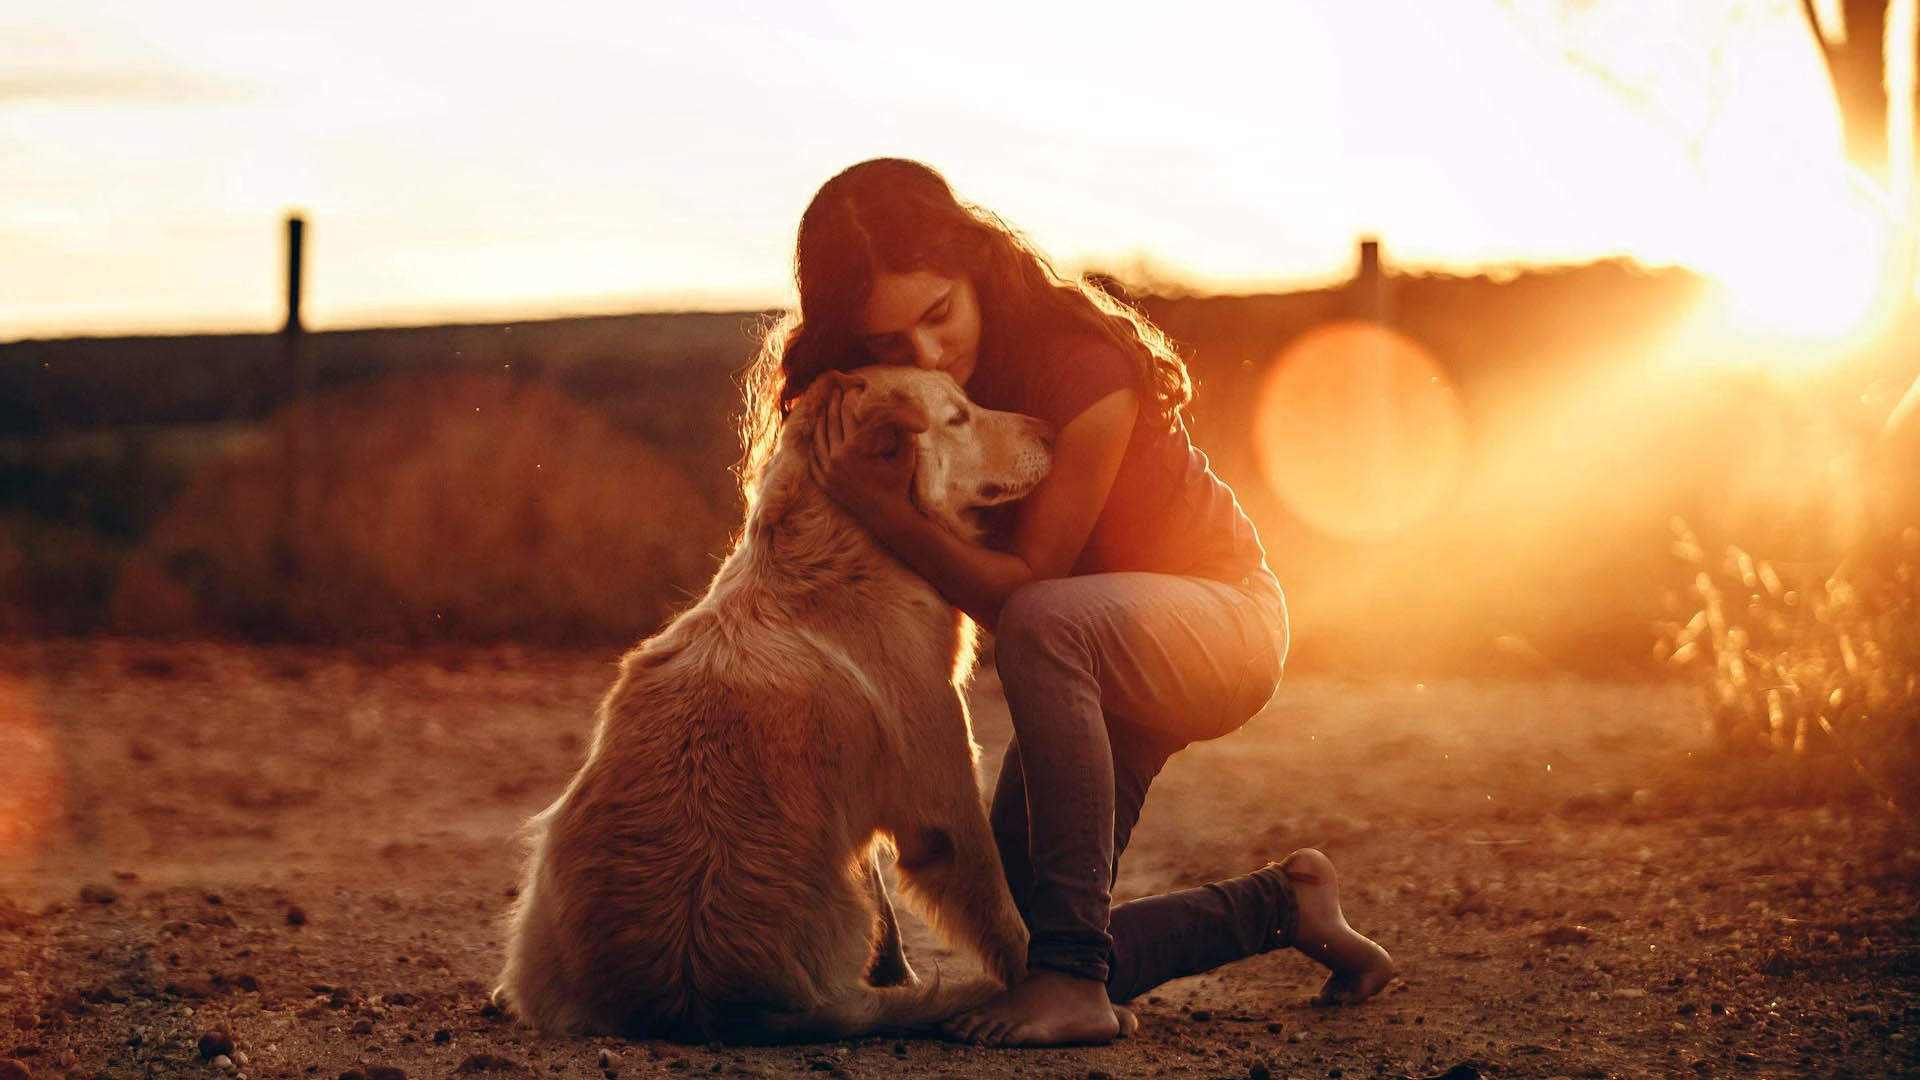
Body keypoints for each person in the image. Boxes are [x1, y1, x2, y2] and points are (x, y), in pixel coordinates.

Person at [737, 158, 1395, 1047]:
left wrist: (884, 510)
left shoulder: (1081, 368)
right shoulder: (884, 398)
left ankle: (1075, 989)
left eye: (939, 314)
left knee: (1048, 620)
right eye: (891, 343)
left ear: (975, 264)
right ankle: (1285, 906)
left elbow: (1026, 593)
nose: (927, 356)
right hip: (1091, 653)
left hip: (1220, 622)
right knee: (1019, 936)